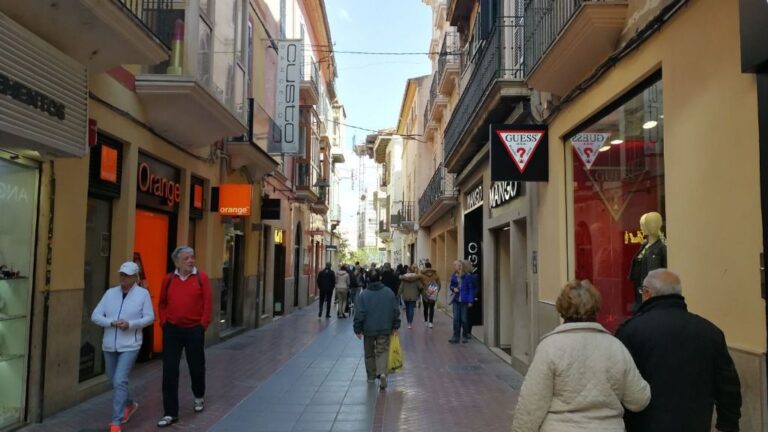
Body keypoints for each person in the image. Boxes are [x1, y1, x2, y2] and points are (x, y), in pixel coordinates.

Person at [511, 280, 650, 432]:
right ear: (596, 307)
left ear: (561, 308)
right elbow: (638, 400)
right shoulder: (615, 347)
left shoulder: (550, 347)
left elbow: (532, 404)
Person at [616, 269, 741, 432]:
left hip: (644, 424)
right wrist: (728, 425)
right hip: (695, 424)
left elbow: (621, 383)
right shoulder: (710, 332)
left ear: (647, 293)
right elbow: (728, 386)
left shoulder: (631, 331)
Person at [91, 262, 154, 432]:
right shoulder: (110, 293)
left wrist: (131, 324)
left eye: (127, 276)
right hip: (109, 344)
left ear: (135, 277)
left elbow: (149, 317)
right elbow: (95, 316)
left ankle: (116, 422)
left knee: (120, 380)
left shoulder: (142, 295)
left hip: (130, 345)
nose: (123, 279)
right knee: (113, 380)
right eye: (121, 275)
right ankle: (130, 404)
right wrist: (111, 322)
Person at [157, 246, 213, 428]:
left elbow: (208, 303)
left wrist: (202, 325)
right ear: (177, 262)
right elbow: (162, 303)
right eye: (186, 258)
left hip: (194, 330)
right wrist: (164, 323)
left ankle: (198, 395)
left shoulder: (201, 278)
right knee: (170, 370)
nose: (191, 261)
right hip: (172, 330)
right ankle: (170, 413)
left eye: (192, 257)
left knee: (196, 366)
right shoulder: (168, 279)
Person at [353, 268, 401, 390]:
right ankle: (382, 373)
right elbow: (395, 310)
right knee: (382, 351)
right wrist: (395, 325)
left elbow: (360, 313)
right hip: (385, 328)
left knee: (369, 353)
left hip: (368, 329)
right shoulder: (389, 293)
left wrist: (357, 328)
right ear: (380, 278)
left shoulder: (364, 295)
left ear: (368, 279)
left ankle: (371, 376)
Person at [448, 260, 477, 344]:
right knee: (456, 319)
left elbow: (470, 289)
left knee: (464, 319)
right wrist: (453, 288)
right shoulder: (453, 275)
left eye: (455, 265)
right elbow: (451, 286)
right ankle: (455, 336)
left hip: (464, 300)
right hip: (456, 300)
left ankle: (464, 335)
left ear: (460, 266)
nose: (454, 267)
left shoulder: (467, 276)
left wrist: (470, 301)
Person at [420, 262, 441, 328]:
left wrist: (422, 291)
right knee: (431, 308)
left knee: (425, 308)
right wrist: (436, 291)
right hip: (433, 293)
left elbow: (420, 285)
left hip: (425, 293)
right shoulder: (435, 275)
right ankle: (431, 322)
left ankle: (426, 321)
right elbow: (439, 284)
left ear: (425, 267)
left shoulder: (422, 275)